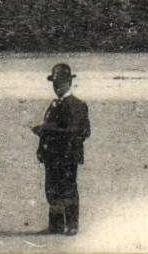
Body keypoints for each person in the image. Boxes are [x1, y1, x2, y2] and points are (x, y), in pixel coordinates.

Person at [32, 62, 90, 235]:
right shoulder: (55, 104)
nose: (57, 86)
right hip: (53, 154)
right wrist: (42, 146)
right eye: (55, 83)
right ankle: (56, 225)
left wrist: (46, 130)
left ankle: (72, 225)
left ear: (69, 83)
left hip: (67, 154)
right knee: (52, 188)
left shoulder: (77, 105)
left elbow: (81, 131)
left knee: (68, 188)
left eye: (60, 83)